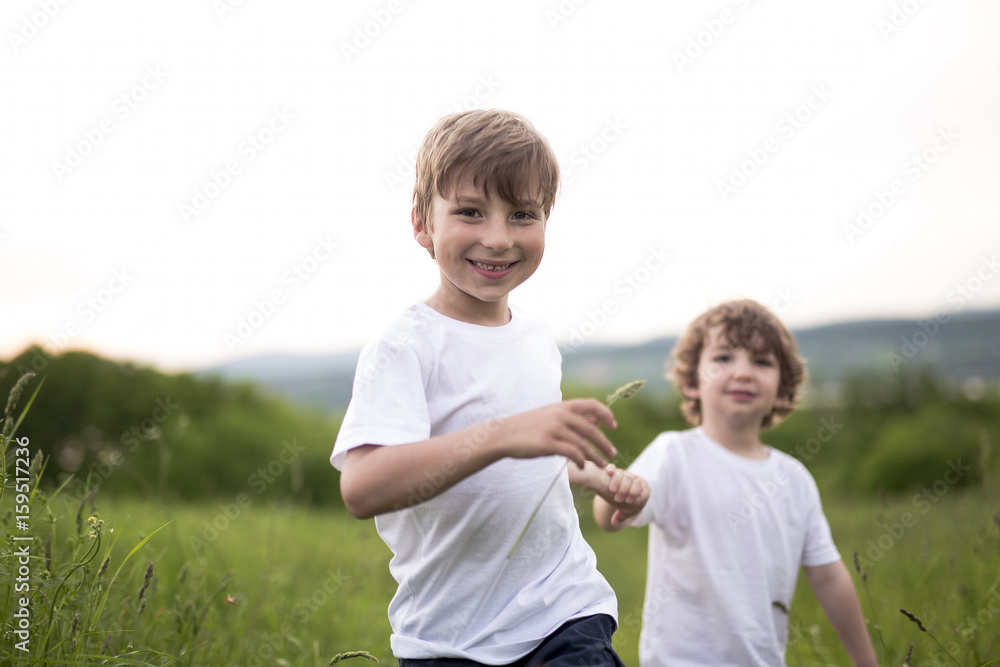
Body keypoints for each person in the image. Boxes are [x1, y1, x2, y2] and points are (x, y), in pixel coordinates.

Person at [332, 108, 649, 667]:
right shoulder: (405, 347)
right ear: (421, 224)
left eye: (523, 214)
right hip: (451, 637)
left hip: (564, 611)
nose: (498, 238)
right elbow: (363, 487)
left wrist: (599, 478)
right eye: (470, 212)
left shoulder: (535, 336)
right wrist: (501, 435)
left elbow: (531, 458)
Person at [594, 299, 878, 666]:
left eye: (761, 362)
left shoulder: (795, 480)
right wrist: (619, 496)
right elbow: (609, 514)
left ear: (782, 388)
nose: (743, 372)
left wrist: (867, 661)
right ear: (693, 381)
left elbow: (828, 577)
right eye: (724, 358)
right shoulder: (674, 454)